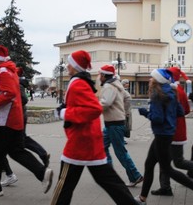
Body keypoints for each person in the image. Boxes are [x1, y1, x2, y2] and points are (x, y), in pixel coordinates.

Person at [50, 50, 139, 205]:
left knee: (64, 184)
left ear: (75, 66)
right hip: (89, 140)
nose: (67, 66)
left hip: (80, 142)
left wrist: (65, 112)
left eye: (69, 62)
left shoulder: (78, 83)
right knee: (110, 182)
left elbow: (94, 109)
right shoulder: (81, 81)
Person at [0, 45, 53, 197]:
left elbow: (9, 93)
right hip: (12, 120)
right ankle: (42, 173)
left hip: (3, 121)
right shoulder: (9, 71)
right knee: (16, 151)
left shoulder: (3, 72)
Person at [135, 68, 193, 205]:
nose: (150, 79)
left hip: (161, 134)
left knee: (167, 169)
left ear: (157, 81)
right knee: (149, 164)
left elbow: (157, 118)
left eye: (152, 77)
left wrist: (145, 112)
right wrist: (169, 117)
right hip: (167, 134)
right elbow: (180, 112)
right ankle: (142, 198)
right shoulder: (171, 92)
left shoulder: (157, 94)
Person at [152, 67, 193, 196]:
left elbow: (171, 112)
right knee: (168, 160)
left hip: (171, 131)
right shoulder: (179, 90)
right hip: (177, 129)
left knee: (177, 161)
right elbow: (186, 110)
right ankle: (165, 187)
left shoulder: (171, 91)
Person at [98, 65, 143, 187]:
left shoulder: (109, 86)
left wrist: (93, 106)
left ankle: (135, 175)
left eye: (99, 75)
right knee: (102, 147)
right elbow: (126, 98)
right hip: (112, 124)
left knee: (120, 152)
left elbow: (106, 102)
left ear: (103, 75)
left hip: (114, 124)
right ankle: (109, 175)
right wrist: (123, 111)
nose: (98, 77)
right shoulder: (117, 84)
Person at [18, 67, 51, 168]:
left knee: (18, 142)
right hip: (19, 115)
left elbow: (23, 99)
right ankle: (42, 154)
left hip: (18, 116)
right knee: (22, 140)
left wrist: (14, 103)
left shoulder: (17, 84)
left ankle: (4, 168)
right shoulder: (18, 83)